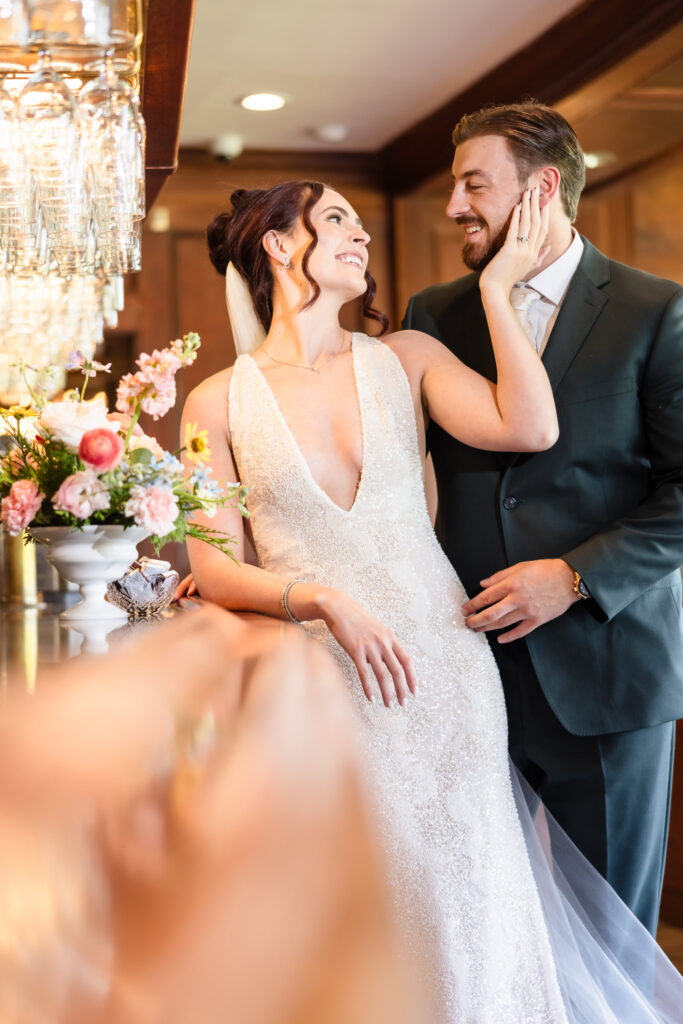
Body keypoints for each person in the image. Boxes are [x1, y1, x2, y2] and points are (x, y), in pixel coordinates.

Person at [179, 179, 682, 1022]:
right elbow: (217, 567)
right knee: (363, 894)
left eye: (358, 222)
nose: (360, 235)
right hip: (323, 679)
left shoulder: (405, 357)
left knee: (470, 885)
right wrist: (321, 600)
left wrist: (496, 290)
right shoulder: (212, 403)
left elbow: (530, 426)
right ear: (277, 244)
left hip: (445, 669)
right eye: (336, 220)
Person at [402, 101, 683, 939]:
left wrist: (572, 577)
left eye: (473, 185)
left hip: (606, 669)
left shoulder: (655, 311)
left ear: (542, 189)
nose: (453, 206)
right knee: (477, 930)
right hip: (465, 670)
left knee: (608, 934)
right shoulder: (434, 315)